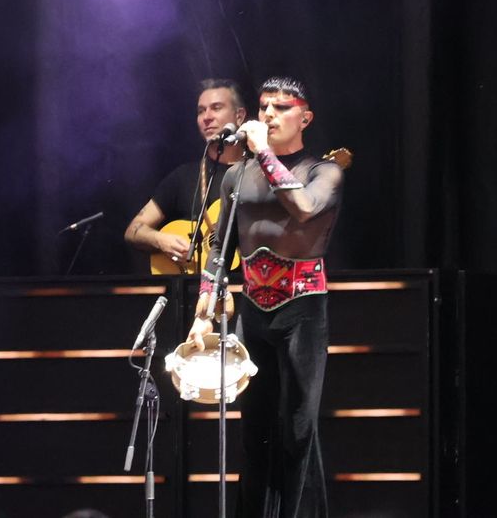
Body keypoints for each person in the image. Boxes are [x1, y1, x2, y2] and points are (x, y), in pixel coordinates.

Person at [187, 75, 344, 518]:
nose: (270, 115)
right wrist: (205, 302)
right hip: (253, 311)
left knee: (297, 429)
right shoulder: (236, 176)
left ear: (305, 117)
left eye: (281, 107)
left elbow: (304, 209)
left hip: (302, 311)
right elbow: (220, 247)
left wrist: (265, 153)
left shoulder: (323, 171)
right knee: (253, 431)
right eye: (264, 107)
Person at [123, 79, 247, 272]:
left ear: (239, 116)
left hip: (243, 291)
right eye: (201, 110)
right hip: (189, 292)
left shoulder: (258, 173)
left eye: (216, 108)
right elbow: (133, 230)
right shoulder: (183, 177)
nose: (207, 117)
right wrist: (160, 240)